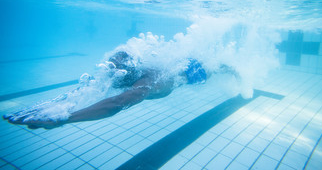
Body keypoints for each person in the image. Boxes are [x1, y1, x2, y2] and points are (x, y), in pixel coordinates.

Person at [3, 51, 207, 129]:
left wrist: (66, 118)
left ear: (129, 71)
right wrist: (54, 106)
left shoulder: (146, 81)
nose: (111, 74)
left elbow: (116, 103)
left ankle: (228, 67)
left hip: (191, 72)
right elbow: (88, 90)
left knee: (214, 67)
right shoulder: (119, 72)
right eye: (112, 67)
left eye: (116, 70)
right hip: (175, 63)